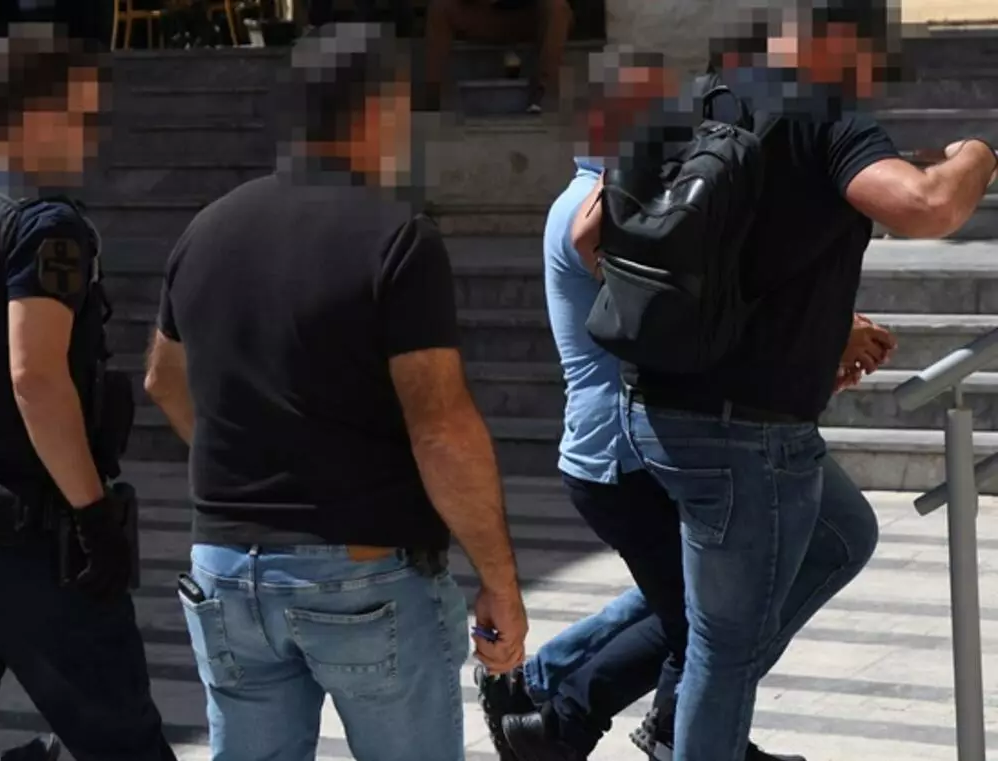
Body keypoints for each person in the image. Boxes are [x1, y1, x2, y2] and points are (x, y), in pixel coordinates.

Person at [573, 3, 998, 759]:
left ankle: (682, 714)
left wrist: (761, 325)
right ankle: (685, 729)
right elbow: (927, 206)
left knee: (843, 534)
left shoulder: (692, 98)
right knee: (724, 649)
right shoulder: (825, 116)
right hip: (745, 433)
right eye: (872, 58)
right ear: (840, 42)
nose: (874, 78)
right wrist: (979, 154)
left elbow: (587, 237)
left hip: (654, 406)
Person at [477, 47, 897, 761]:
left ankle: (575, 696)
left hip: (663, 433)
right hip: (630, 450)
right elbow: (667, 299)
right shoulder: (608, 202)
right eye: (656, 105)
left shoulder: (653, 189)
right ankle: (590, 719)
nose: (683, 116)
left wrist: (812, 341)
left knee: (751, 585)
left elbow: (716, 297)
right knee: (707, 626)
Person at [143, 22, 528, 760]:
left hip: (225, 569)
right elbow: (441, 428)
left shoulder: (206, 230)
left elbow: (163, 378)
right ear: (378, 110)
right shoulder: (398, 238)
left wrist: (265, 459)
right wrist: (500, 581)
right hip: (363, 571)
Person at [0, 24, 175, 761]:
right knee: (126, 744)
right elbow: (35, 377)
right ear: (36, 112)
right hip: (27, 536)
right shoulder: (46, 227)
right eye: (81, 115)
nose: (90, 136)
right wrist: (94, 515)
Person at [421, 0, 572, 113]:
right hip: (484, 15)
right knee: (439, 8)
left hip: (527, 17)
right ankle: (432, 101)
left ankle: (544, 95)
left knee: (558, 9)